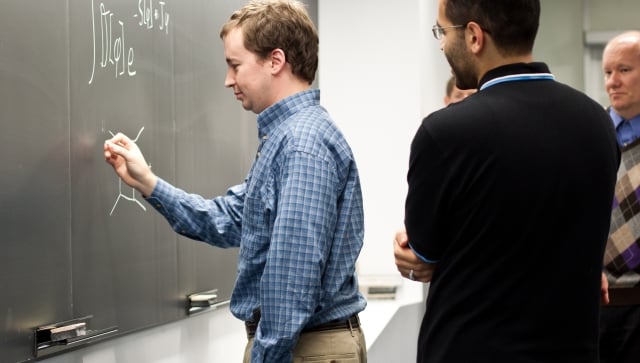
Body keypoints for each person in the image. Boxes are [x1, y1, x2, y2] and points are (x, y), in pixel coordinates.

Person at [103, 1, 367, 362]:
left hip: (302, 349)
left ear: (275, 61)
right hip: (298, 347)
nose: (228, 80)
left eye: (235, 65)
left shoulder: (302, 145)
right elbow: (226, 219)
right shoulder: (287, 140)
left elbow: (292, 281)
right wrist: (147, 181)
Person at [394, 0, 620, 362]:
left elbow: (422, 255)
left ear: (473, 36)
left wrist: (408, 251)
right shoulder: (598, 124)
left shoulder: (445, 134)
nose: (440, 44)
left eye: (442, 31)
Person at [600, 30, 640, 363]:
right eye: (608, 72)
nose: (613, 81)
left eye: (624, 70)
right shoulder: (588, 134)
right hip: (592, 303)